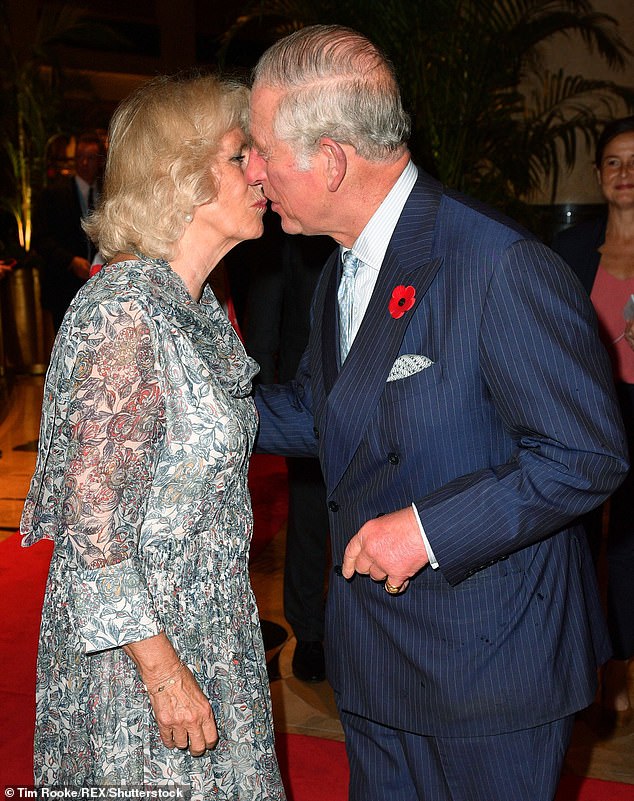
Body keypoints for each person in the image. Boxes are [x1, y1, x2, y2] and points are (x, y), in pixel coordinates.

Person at [244, 24, 629, 801]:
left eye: (259, 150)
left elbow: (587, 455)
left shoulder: (496, 266)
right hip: (378, 659)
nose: (251, 173)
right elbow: (332, 417)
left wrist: (425, 529)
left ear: (330, 161)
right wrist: (195, 413)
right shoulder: (339, 270)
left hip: (488, 666)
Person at [20, 73, 285, 800]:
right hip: (140, 654)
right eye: (241, 155)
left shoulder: (194, 303)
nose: (260, 170)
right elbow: (92, 534)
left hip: (212, 623)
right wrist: (165, 676)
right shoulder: (123, 310)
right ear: (184, 175)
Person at [552, 115, 634, 729]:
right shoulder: (574, 251)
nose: (625, 173)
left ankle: (623, 668)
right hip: (590, 413)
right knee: (581, 544)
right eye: (613, 162)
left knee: (629, 548)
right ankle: (591, 670)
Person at [245, 222, 336, 681]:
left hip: (379, 394)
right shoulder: (293, 224)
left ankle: (350, 631)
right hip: (307, 397)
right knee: (309, 513)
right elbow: (266, 306)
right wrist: (253, 402)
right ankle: (311, 633)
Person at [33, 131, 105, 330]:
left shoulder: (108, 194)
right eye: (80, 158)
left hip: (100, 288)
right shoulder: (54, 194)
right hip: (64, 287)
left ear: (99, 161)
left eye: (90, 158)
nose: (84, 163)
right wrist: (70, 261)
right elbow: (41, 239)